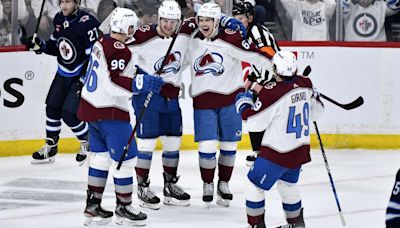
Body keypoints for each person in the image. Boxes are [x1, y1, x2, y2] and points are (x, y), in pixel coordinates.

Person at [127, 0, 246, 210]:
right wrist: (138, 76)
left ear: (178, 21)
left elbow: (204, 17)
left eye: (173, 22)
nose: (168, 26)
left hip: (171, 96)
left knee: (173, 142)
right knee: (146, 144)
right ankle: (142, 187)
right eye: (164, 21)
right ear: (158, 17)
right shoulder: (144, 35)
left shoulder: (186, 29)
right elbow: (119, 51)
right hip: (148, 95)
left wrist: (227, 19)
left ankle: (169, 185)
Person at [77, 7, 163, 226]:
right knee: (127, 159)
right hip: (111, 114)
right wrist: (141, 84)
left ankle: (93, 205)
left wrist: (139, 76)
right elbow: (115, 82)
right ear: (127, 27)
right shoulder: (121, 50)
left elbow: (112, 72)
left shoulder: (100, 42)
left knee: (100, 157)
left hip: (92, 110)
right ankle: (124, 207)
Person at [185, 2, 273, 207]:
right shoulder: (190, 41)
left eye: (209, 20)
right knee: (207, 146)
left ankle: (223, 183)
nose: (204, 23)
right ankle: (208, 183)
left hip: (230, 101)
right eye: (201, 19)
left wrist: (280, 70)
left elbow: (256, 57)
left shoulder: (231, 40)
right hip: (204, 102)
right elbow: (175, 59)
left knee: (228, 146)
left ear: (217, 21)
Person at [235, 50, 324, 227]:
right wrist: (315, 95)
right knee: (288, 185)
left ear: (275, 69)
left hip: (277, 152)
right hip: (298, 150)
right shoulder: (305, 84)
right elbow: (318, 112)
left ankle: (256, 224)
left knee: (253, 185)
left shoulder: (272, 92)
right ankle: (296, 223)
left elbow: (253, 122)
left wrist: (243, 103)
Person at [26, 0, 99, 165]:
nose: (63, 6)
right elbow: (56, 46)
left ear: (77, 3)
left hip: (79, 75)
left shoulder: (88, 23)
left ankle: (88, 143)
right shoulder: (59, 18)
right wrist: (40, 46)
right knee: (52, 108)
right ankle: (51, 148)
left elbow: (94, 56)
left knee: (69, 114)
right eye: (61, 2)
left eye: (68, 2)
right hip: (62, 73)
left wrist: (83, 81)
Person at [233, 0, 280, 166]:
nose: (237, 22)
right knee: (255, 117)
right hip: (265, 79)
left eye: (241, 18)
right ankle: (259, 153)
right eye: (235, 18)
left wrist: (260, 84)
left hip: (274, 81)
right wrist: (252, 78)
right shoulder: (246, 32)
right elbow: (256, 61)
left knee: (262, 117)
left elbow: (269, 59)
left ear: (250, 18)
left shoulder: (257, 33)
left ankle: (268, 154)